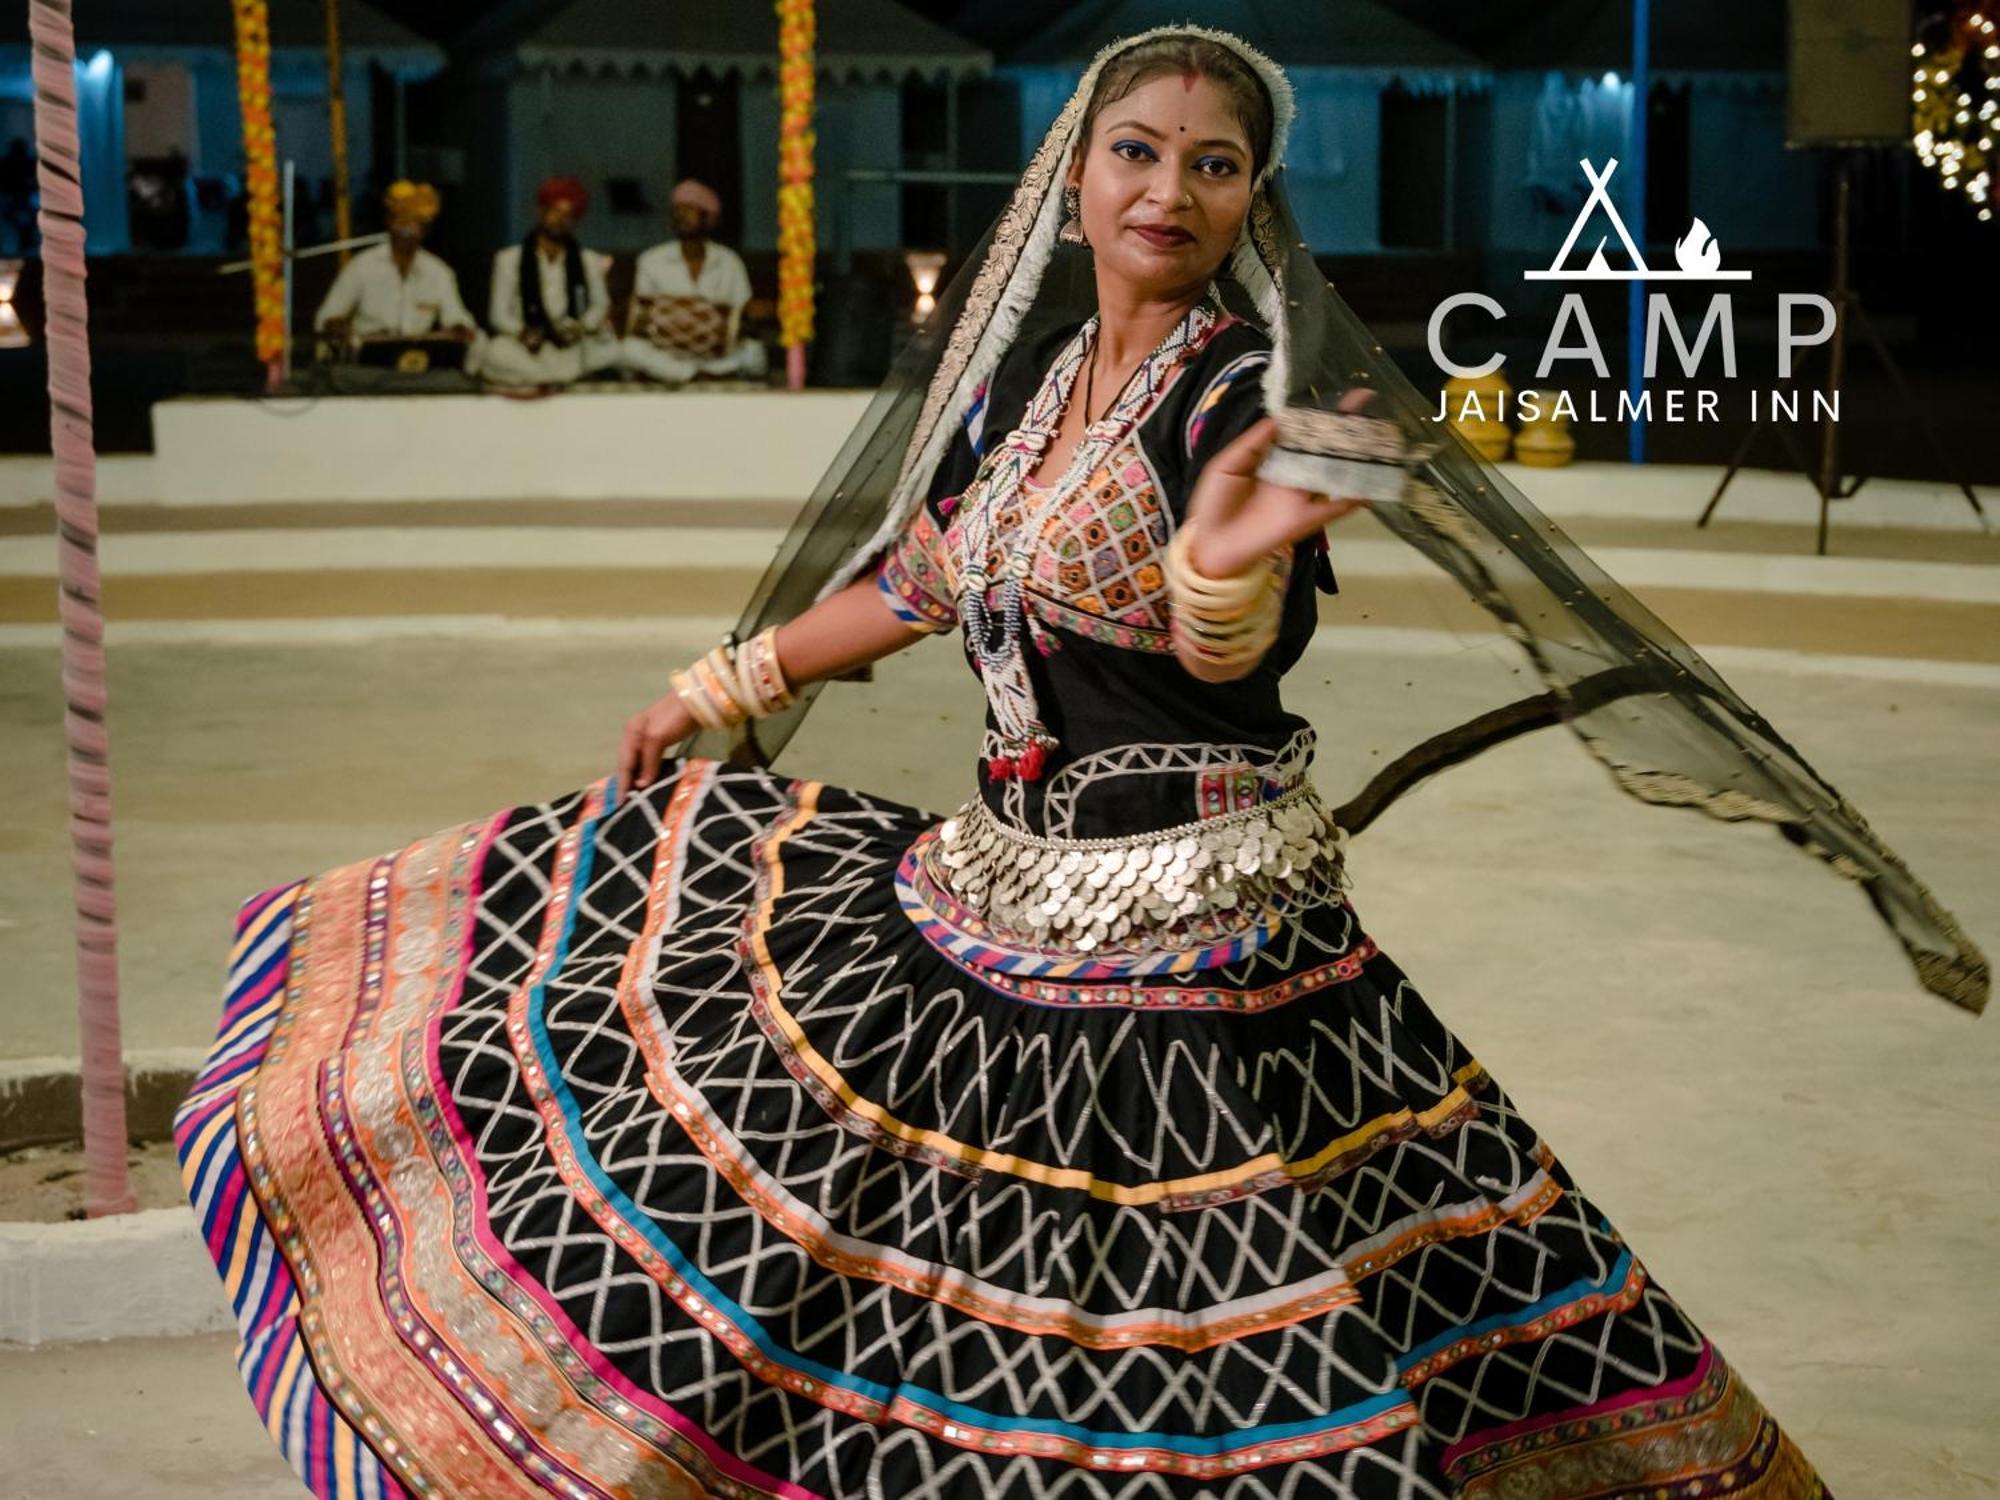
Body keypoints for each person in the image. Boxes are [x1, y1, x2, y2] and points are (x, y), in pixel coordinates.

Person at [180, 26, 1989, 1498]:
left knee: (1163, 1339)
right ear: (1073, 173)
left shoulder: (1255, 398)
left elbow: (1242, 643)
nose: (1170, 187)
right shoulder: (1040, 377)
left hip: (1189, 941)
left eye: (1215, 164)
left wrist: (1220, 565)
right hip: (1001, 884)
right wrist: (722, 678)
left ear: (1254, 198)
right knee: (797, 1215)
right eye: (1136, 149)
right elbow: (928, 567)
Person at [620, 177, 768, 384]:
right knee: (629, 350)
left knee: (755, 355)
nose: (681, 216)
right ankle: (693, 375)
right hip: (666, 354)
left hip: (716, 355)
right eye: (676, 211)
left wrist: (710, 328)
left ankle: (689, 374)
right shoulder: (651, 260)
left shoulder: (728, 261)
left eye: (689, 210)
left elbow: (741, 311)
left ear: (710, 219)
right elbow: (643, 315)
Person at [478, 175, 618, 389]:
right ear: (541, 212)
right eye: (555, 212)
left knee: (615, 349)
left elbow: (600, 305)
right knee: (494, 351)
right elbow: (498, 315)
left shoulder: (588, 260)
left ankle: (545, 380)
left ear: (575, 222)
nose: (561, 220)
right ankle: (552, 381)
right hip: (527, 345)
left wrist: (581, 327)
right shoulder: (509, 259)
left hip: (572, 343)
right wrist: (523, 332)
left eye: (569, 215)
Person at [314, 180, 481, 357]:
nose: (406, 230)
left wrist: (459, 329)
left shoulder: (439, 272)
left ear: (426, 230)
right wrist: (335, 325)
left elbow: (457, 317)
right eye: (400, 221)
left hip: (420, 360)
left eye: (414, 223)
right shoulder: (361, 266)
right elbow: (326, 317)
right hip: (368, 359)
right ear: (388, 222)